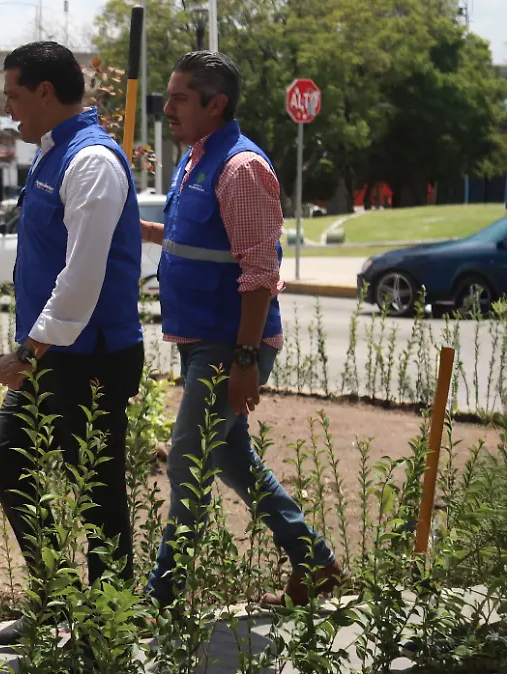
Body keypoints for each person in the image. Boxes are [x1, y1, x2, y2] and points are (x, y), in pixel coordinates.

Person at [140, 51, 343, 608]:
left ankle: (160, 597)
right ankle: (316, 562)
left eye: (181, 97)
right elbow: (196, 239)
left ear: (215, 103)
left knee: (186, 455)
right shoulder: (196, 160)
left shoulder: (240, 167)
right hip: (201, 337)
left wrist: (246, 359)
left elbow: (260, 273)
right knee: (229, 457)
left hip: (229, 343)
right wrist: (137, 230)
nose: (168, 107)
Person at [0, 41, 146, 647]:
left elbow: (83, 276)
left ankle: (109, 626)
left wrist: (28, 351)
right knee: (4, 457)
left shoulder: (92, 161)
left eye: (14, 96)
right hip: (56, 356)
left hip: (91, 357)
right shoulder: (54, 154)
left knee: (98, 487)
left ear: (46, 92)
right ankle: (58, 599)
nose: (9, 110)